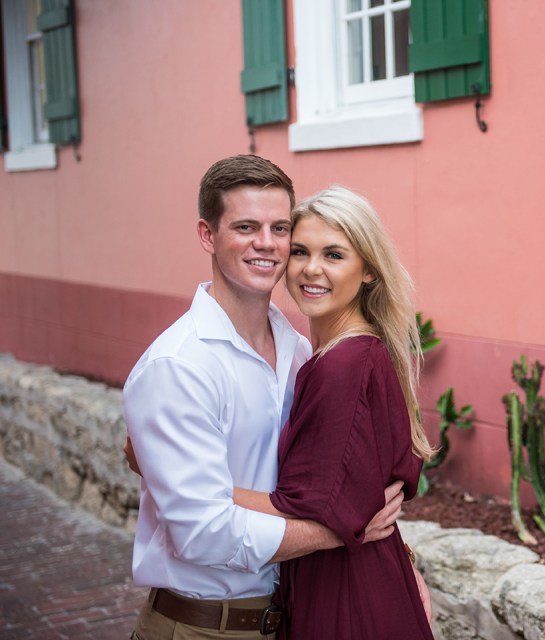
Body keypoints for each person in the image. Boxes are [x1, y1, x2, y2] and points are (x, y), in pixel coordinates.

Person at [123, 156, 415, 640]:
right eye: (245, 227)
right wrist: (345, 529)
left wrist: (395, 559)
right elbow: (203, 533)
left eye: (280, 228)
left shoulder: (300, 353)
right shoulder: (178, 365)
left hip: (288, 617)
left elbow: (341, 479)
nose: (266, 243)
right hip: (203, 627)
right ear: (207, 235)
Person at [232, 186, 434, 639]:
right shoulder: (351, 353)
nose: (311, 268)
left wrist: (174, 476)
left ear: (368, 270)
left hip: (345, 599)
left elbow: (305, 510)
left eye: (334, 255)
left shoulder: (343, 366)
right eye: (300, 251)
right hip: (361, 580)